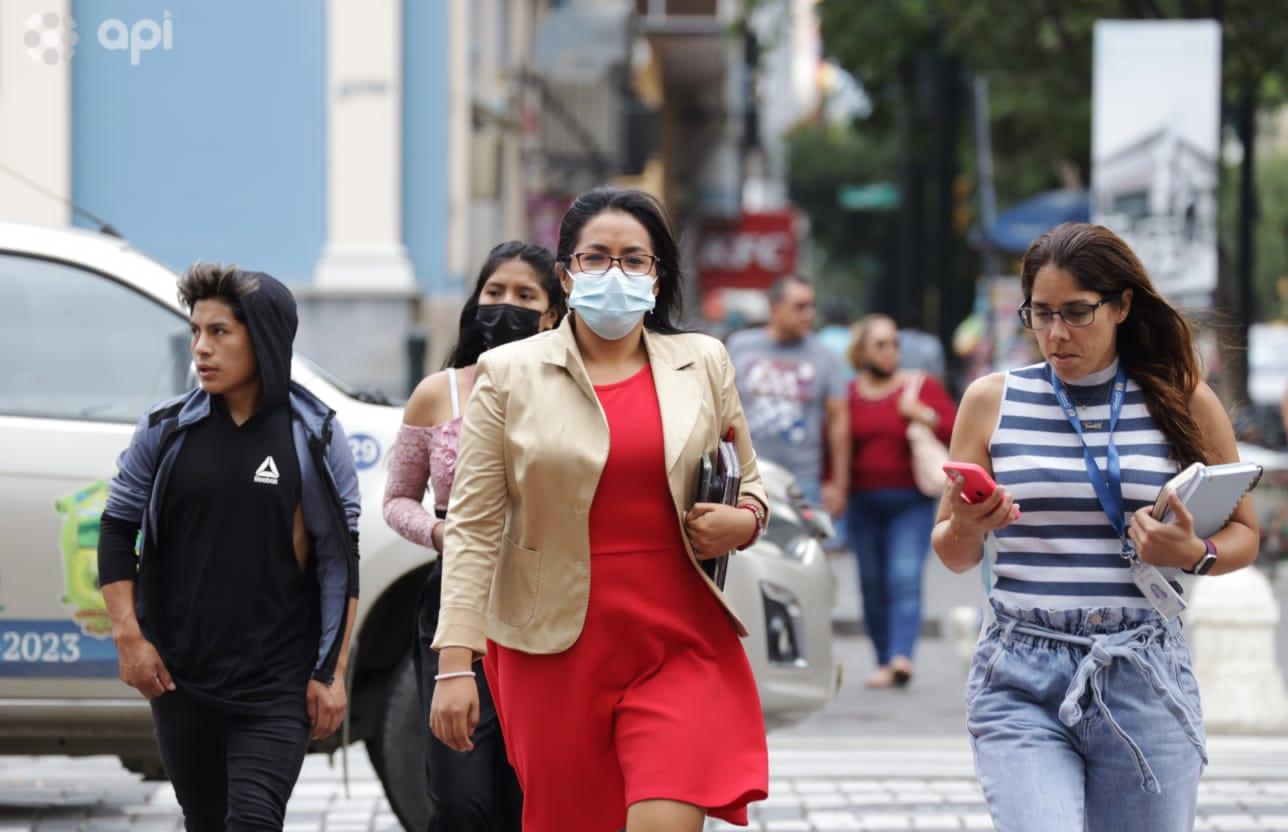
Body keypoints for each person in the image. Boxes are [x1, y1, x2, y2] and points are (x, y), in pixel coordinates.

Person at [429, 188, 769, 832]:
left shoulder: (703, 362)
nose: (616, 274)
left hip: (679, 638)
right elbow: (472, 528)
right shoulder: (507, 374)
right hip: (552, 648)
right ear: (565, 274)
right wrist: (454, 662)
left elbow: (748, 484)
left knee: (667, 814)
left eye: (634, 259)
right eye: (596, 258)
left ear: (657, 273)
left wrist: (744, 521)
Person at [932, 223, 1259, 830]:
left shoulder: (1183, 400)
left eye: (1077, 313)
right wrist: (971, 526)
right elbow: (950, 552)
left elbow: (1245, 532)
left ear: (1122, 305)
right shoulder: (990, 400)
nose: (1056, 334)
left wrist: (1194, 551)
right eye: (1041, 313)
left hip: (1143, 669)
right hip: (1020, 670)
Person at [97, 265, 360, 831]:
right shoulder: (165, 430)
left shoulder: (315, 434)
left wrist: (331, 672)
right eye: (196, 332)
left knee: (254, 822)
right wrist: (130, 638)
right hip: (182, 678)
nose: (201, 349)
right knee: (206, 822)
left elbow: (339, 562)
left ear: (262, 337)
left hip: (275, 681)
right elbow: (117, 530)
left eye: (220, 332)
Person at [383, 240, 564, 830]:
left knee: (528, 789)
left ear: (554, 314)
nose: (505, 305)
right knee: (460, 797)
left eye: (524, 295)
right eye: (494, 292)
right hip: (458, 604)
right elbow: (396, 501)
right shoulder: (440, 393)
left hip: (544, 603)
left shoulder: (570, 393)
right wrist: (441, 533)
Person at [845, 314, 956, 688]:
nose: (890, 351)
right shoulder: (847, 394)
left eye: (894, 343)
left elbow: (958, 429)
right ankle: (883, 659)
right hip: (862, 504)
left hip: (910, 503)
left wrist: (922, 414)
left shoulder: (918, 387)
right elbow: (836, 447)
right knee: (871, 583)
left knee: (904, 576)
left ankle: (901, 657)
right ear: (861, 351)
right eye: (880, 344)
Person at [727, 275, 849, 518]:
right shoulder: (739, 346)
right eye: (800, 306)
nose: (809, 314)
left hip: (801, 481)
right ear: (774, 308)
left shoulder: (825, 357)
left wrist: (839, 485)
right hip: (749, 477)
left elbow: (839, 424)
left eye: (812, 306)